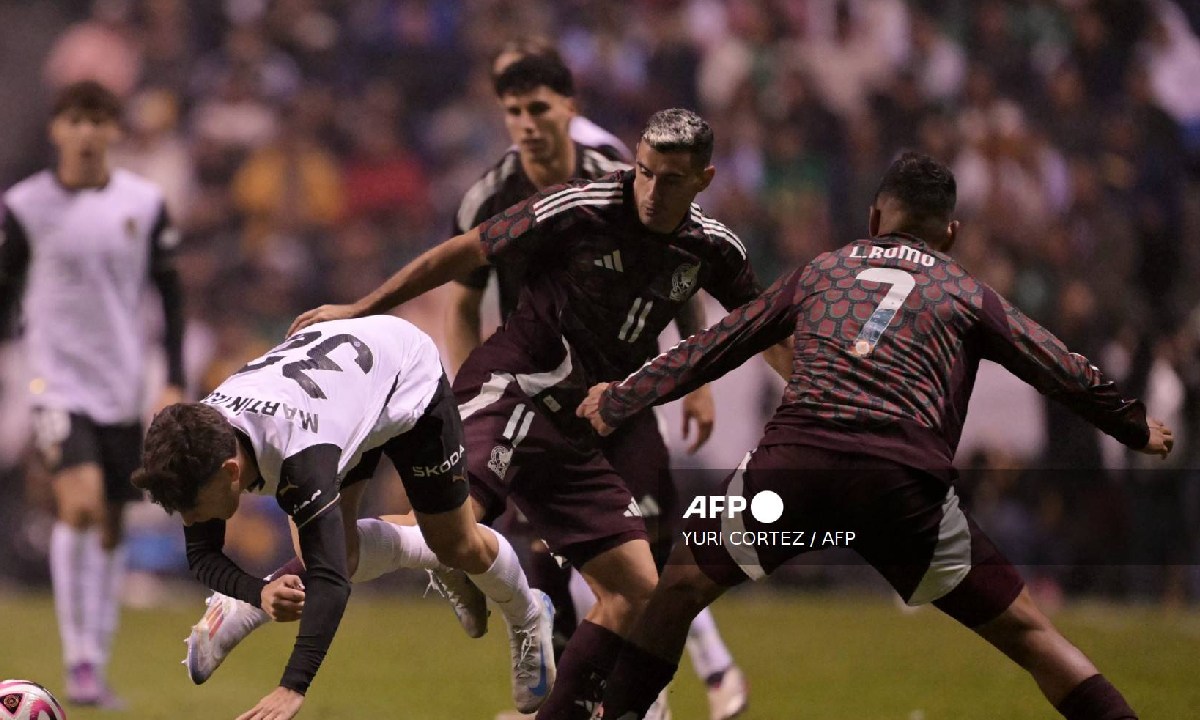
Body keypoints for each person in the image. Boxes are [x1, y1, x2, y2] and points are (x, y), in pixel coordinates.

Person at [577, 151, 1173, 720]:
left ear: (873, 219)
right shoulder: (965, 292)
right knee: (1030, 633)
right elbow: (1056, 362)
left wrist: (622, 396)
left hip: (796, 468)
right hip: (902, 485)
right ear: (950, 233)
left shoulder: (824, 270)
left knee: (679, 583)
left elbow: (716, 344)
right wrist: (1132, 424)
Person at [289, 108, 791, 720]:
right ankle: (243, 602)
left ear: (704, 179)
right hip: (517, 387)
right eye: (646, 172)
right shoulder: (578, 207)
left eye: (672, 179)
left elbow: (766, 329)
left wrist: (822, 395)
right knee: (458, 531)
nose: (653, 191)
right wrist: (360, 307)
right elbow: (463, 254)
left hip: (586, 422)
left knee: (637, 587)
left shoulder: (713, 248)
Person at [448, 50, 748, 720]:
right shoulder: (486, 195)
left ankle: (665, 688)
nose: (526, 123)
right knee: (546, 562)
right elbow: (461, 300)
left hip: (625, 387)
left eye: (538, 108)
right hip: (537, 394)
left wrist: (691, 375)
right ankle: (572, 703)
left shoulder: (619, 174)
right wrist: (465, 409)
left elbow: (679, 260)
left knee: (641, 553)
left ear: (568, 109)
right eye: (514, 111)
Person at [131, 315, 556, 720]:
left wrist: (292, 687)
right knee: (337, 549)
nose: (191, 517)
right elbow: (202, 553)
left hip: (405, 377)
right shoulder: (200, 438)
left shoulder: (300, 456)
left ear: (231, 471)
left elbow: (331, 578)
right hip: (337, 393)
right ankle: (432, 559)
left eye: (192, 507)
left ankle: (528, 614)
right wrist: (257, 591)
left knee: (456, 543)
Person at [0, 80, 185, 708]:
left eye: (96, 120)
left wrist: (173, 374)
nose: (85, 133)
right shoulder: (26, 207)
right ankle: (78, 654)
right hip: (54, 379)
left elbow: (171, 292)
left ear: (113, 131)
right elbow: (6, 291)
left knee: (110, 524)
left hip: (120, 382)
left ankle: (92, 660)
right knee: (77, 507)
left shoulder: (144, 204)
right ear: (57, 130)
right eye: (74, 120)